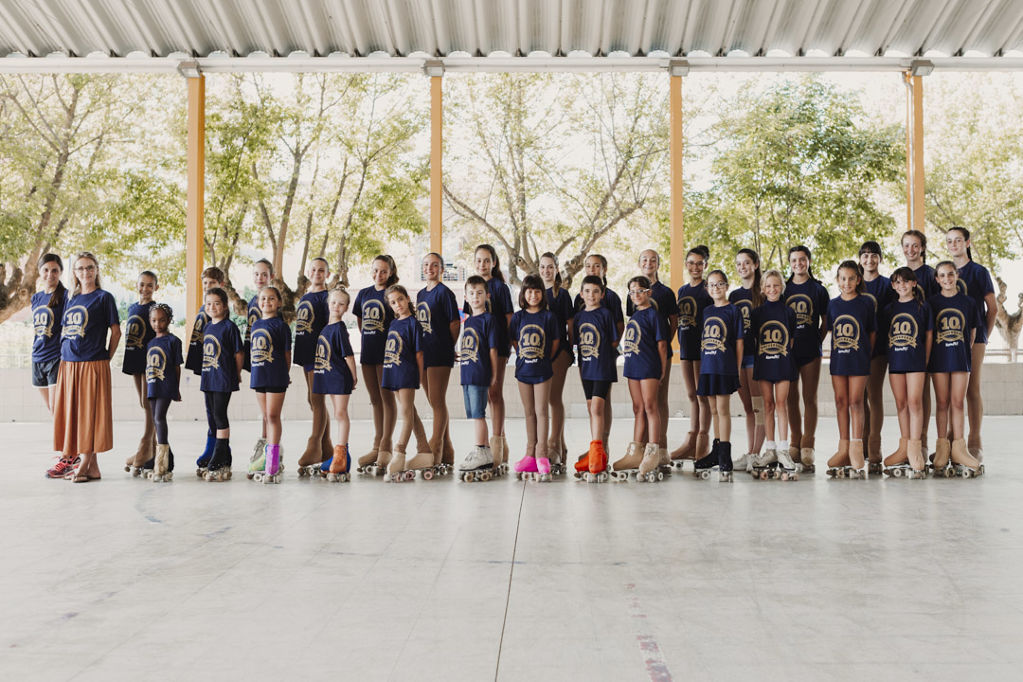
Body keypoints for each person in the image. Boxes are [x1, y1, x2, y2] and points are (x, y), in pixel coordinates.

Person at [52, 252, 120, 482]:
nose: (85, 272)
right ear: (75, 273)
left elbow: (116, 331)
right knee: (75, 415)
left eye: (90, 268)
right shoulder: (72, 299)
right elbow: (65, 331)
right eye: (80, 268)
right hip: (69, 364)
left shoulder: (104, 298)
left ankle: (83, 465)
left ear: (96, 270)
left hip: (93, 363)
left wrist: (106, 358)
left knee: (89, 416)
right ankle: (93, 467)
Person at [928, 261, 984, 477]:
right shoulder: (932, 303)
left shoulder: (968, 302)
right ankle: (942, 448)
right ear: (937, 279)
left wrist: (961, 351)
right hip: (939, 359)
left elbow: (971, 334)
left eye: (950, 274)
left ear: (957, 275)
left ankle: (959, 449)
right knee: (942, 403)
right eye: (942, 275)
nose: (947, 279)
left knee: (957, 402)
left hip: (960, 359)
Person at [946, 226, 997, 463]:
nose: (954, 244)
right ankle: (950, 439)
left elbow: (992, 307)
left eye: (958, 240)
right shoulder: (945, 272)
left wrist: (982, 336)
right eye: (949, 241)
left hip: (974, 338)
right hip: (949, 337)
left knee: (971, 388)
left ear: (967, 243)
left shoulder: (978, 272)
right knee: (950, 391)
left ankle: (975, 440)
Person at [463, 245, 514, 467]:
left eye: (486, 260)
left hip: (497, 346)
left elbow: (509, 317)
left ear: (494, 262)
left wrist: (512, 344)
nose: (482, 264)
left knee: (494, 392)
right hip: (477, 350)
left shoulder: (500, 287)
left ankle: (498, 442)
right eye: (479, 260)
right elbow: (468, 318)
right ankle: (488, 444)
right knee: (483, 396)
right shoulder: (473, 285)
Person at [613, 276, 668, 482]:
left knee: (650, 407)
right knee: (638, 408)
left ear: (648, 293)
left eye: (640, 291)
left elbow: (662, 345)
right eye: (632, 292)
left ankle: (653, 451)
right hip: (633, 366)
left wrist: (661, 370)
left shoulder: (654, 315)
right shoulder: (634, 317)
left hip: (649, 366)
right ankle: (636, 451)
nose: (636, 295)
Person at [627, 249, 678, 470]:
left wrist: (661, 350)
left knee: (657, 403)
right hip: (638, 359)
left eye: (653, 260)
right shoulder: (633, 293)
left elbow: (672, 324)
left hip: (657, 357)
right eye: (644, 260)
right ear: (639, 263)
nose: (649, 263)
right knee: (642, 406)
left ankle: (659, 449)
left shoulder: (665, 293)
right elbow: (634, 328)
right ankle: (639, 450)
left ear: (658, 263)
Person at [571, 254, 624, 466]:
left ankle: (601, 446)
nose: (592, 269)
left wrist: (605, 353)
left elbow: (616, 333)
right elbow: (577, 337)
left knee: (600, 406)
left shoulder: (610, 302)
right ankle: (596, 447)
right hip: (586, 363)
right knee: (592, 406)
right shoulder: (580, 307)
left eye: (597, 266)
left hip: (603, 362)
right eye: (588, 266)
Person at [824, 261, 875, 479]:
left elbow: (872, 332)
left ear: (858, 280)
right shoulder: (833, 304)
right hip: (839, 360)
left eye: (851, 278)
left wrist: (865, 352)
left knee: (856, 402)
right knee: (840, 402)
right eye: (843, 278)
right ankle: (843, 448)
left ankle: (856, 448)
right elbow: (828, 330)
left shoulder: (865, 303)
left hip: (858, 360)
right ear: (837, 280)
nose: (847, 283)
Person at [879, 268, 931, 477]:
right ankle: (904, 446)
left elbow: (928, 335)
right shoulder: (889, 309)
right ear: (893, 285)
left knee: (914, 403)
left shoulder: (923, 307)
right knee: (901, 404)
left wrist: (925, 361)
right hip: (896, 362)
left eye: (905, 282)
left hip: (916, 361)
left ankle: (915, 449)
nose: (902, 286)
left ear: (913, 284)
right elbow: (885, 336)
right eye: (897, 282)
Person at [692, 270, 744, 482]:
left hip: (725, 367)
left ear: (727, 285)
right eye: (712, 285)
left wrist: (737, 368)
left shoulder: (733, 311)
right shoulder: (706, 311)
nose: (716, 288)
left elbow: (739, 341)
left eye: (720, 284)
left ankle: (725, 454)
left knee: (722, 409)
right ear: (707, 289)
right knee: (713, 409)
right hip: (708, 366)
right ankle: (716, 449)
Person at [509, 275, 560, 480]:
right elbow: (514, 340)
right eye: (529, 291)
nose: (533, 295)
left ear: (542, 294)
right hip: (523, 371)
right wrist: (524, 356)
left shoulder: (549, 317)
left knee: (541, 411)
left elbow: (555, 341)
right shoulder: (518, 317)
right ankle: (529, 454)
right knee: (529, 412)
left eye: (537, 291)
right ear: (523, 294)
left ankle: (542, 454)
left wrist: (546, 357)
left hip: (542, 371)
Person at [749, 269, 798, 479]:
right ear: (762, 289)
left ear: (782, 288)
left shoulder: (789, 313)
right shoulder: (757, 313)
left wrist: (780, 354)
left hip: (783, 363)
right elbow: (754, 339)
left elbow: (792, 339)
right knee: (767, 405)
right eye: (768, 286)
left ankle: (783, 449)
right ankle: (769, 449)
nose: (772, 289)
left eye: (776, 285)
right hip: (764, 363)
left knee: (781, 404)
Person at [784, 246, 829, 472]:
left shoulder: (818, 289)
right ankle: (795, 442)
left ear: (809, 261)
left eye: (802, 259)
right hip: (788, 352)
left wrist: (816, 340)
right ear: (790, 263)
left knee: (809, 397)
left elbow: (825, 321)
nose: (798, 263)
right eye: (794, 260)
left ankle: (808, 444)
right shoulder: (784, 288)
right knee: (790, 398)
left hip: (811, 351)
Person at [354, 255, 398, 471]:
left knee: (387, 398)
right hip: (368, 353)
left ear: (390, 272)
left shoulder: (393, 294)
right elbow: (360, 321)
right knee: (374, 399)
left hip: (387, 354)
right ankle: (376, 443)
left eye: (383, 271)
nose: (378, 275)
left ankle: (386, 445)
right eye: (375, 270)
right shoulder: (363, 294)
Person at [670, 246, 713, 467]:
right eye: (691, 263)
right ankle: (691, 439)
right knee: (691, 394)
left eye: (699, 263)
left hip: (703, 349)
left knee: (702, 396)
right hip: (686, 347)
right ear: (686, 265)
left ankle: (702, 441)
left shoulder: (708, 290)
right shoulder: (683, 291)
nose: (695, 267)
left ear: (705, 266)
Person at [417, 252, 460, 470]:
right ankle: (448, 449)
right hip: (424, 353)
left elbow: (454, 322)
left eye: (434, 265)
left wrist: (448, 346)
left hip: (440, 352)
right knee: (434, 402)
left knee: (437, 400)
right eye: (426, 265)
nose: (430, 268)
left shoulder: (445, 294)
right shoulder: (420, 295)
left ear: (442, 269)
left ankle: (435, 446)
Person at [382, 285, 429, 481]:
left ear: (408, 298)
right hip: (393, 371)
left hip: (407, 372)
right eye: (393, 302)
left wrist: (418, 376)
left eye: (400, 299)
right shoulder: (393, 324)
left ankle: (399, 451)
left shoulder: (413, 324)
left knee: (406, 413)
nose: (398, 304)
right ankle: (425, 450)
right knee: (410, 411)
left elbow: (419, 354)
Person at [456, 276, 501, 481]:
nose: (475, 297)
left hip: (480, 373)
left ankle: (481, 449)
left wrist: (493, 375)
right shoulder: (469, 321)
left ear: (487, 295)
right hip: (467, 372)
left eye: (479, 293)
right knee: (473, 414)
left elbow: (492, 350)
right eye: (471, 294)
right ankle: (484, 450)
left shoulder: (488, 319)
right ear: (466, 297)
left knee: (478, 414)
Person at [198, 287, 244, 482]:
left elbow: (238, 353)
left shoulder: (229, 327)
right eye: (208, 304)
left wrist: (237, 373)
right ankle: (223, 454)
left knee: (219, 415)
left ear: (225, 306)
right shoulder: (208, 327)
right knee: (211, 417)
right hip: (209, 377)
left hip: (223, 378)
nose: (212, 307)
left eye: (216, 303)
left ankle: (221, 453)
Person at [313, 287, 358, 482]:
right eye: (333, 303)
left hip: (340, 376)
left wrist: (354, 376)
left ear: (346, 307)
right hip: (328, 376)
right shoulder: (325, 328)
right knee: (336, 413)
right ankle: (340, 456)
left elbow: (348, 355)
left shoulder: (340, 329)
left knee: (341, 414)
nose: (336, 306)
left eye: (341, 304)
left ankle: (340, 453)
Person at [249, 285, 292, 484]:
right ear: (258, 302)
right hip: (259, 376)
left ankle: (273, 462)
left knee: (273, 416)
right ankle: (267, 455)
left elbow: (286, 355)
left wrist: (285, 374)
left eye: (271, 298)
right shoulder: (256, 325)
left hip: (276, 376)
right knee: (266, 416)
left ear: (279, 302)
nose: (267, 302)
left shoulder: (281, 326)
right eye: (263, 299)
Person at [294, 258, 333, 475]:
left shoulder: (326, 298)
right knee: (312, 398)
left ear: (327, 274)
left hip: (319, 353)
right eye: (314, 269)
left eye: (321, 270)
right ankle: (326, 448)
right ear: (309, 272)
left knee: (317, 398)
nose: (317, 273)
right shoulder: (305, 297)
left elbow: (329, 325)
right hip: (305, 350)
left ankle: (314, 443)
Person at [185, 266, 226, 466]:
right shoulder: (204, 308)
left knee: (217, 411)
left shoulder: (218, 311)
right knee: (209, 408)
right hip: (205, 365)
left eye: (212, 283)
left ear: (221, 285)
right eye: (205, 284)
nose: (208, 287)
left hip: (218, 367)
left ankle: (217, 447)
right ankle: (212, 445)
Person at [859, 241, 894, 474]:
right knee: (858, 399)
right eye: (865, 255)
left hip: (879, 349)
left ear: (880, 259)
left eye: (874, 255)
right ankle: (860, 442)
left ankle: (874, 445)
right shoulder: (854, 282)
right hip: (855, 349)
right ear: (860, 258)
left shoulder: (887, 285)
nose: (869, 259)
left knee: (874, 395)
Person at [902, 229, 938, 454]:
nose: (911, 249)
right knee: (910, 397)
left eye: (915, 245)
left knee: (924, 392)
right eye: (907, 245)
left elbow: (936, 308)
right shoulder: (900, 276)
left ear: (923, 248)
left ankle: (923, 442)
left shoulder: (931, 275)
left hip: (929, 339)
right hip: (907, 344)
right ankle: (910, 442)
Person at [729, 249, 764, 470]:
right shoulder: (733, 296)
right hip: (739, 357)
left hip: (757, 356)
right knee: (748, 407)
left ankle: (756, 453)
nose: (743, 267)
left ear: (755, 265)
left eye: (747, 263)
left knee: (759, 406)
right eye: (739, 263)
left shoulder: (763, 292)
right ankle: (750, 451)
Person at [539, 252, 574, 471]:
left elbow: (571, 323)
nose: (546, 271)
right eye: (543, 267)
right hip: (539, 353)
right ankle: (560, 444)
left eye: (550, 267)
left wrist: (570, 349)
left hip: (559, 350)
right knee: (543, 401)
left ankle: (554, 443)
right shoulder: (534, 293)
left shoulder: (562, 295)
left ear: (557, 269)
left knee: (554, 398)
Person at [122, 271, 158, 477]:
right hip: (133, 356)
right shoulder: (133, 308)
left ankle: (145, 444)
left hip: (148, 360)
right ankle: (149, 450)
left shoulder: (154, 308)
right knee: (143, 403)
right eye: (142, 285)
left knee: (149, 402)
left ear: (155, 288)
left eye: (149, 285)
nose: (145, 289)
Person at [145, 303, 182, 482]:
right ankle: (168, 457)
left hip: (166, 386)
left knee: (160, 418)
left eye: (161, 320)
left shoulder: (173, 341)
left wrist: (177, 388)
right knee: (155, 420)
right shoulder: (151, 342)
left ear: (168, 320)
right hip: (152, 384)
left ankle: (162, 461)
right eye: (153, 320)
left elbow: (176, 367)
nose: (157, 324)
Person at [244, 258, 274, 457]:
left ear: (271, 276)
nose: (260, 278)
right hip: (255, 357)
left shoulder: (274, 301)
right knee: (263, 408)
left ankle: (269, 446)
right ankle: (264, 441)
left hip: (270, 361)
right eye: (257, 274)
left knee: (270, 412)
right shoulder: (252, 303)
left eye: (264, 274)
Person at [31, 254, 65, 416]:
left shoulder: (66, 297)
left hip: (56, 358)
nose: (50, 274)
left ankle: (65, 442)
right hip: (37, 357)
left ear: (60, 272)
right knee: (52, 409)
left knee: (57, 408)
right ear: (39, 271)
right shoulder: (36, 298)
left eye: (54, 270)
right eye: (46, 270)